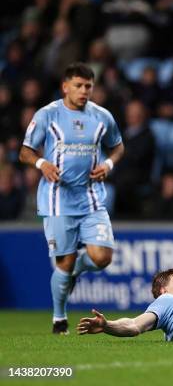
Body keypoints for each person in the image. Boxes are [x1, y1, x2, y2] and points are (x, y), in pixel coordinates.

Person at [19, 63, 125, 334]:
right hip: (57, 201)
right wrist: (42, 163)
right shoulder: (47, 114)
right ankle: (59, 318)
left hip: (91, 199)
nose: (84, 91)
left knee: (102, 257)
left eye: (88, 86)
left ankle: (76, 269)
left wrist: (109, 165)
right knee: (63, 263)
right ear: (65, 87)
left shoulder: (102, 116)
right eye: (78, 85)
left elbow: (118, 146)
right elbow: (25, 151)